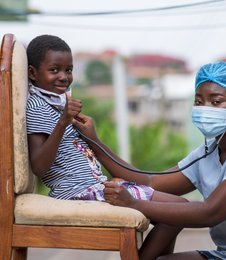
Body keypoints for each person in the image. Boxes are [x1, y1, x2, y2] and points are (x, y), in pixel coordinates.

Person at [73, 61, 226, 260]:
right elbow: (152, 182)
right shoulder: (209, 152)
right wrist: (95, 142)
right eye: (198, 101)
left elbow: (211, 212)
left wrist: (133, 204)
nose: (205, 108)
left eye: (216, 102)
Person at [26, 34, 187, 205]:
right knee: (179, 205)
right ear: (32, 73)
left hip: (94, 186)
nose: (64, 77)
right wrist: (62, 123)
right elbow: (39, 167)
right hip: (77, 192)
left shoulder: (58, 104)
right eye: (54, 70)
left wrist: (87, 134)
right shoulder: (38, 106)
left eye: (69, 70)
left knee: (178, 206)